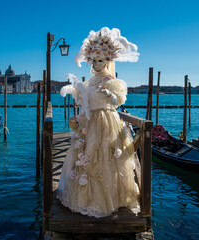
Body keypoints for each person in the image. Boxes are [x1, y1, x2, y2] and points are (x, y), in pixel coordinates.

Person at [57, 27, 140, 218]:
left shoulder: (113, 81)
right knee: (86, 157)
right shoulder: (91, 81)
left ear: (108, 60)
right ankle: (84, 198)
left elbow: (118, 100)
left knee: (105, 157)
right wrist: (77, 113)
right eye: (93, 60)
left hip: (106, 123)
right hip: (88, 123)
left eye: (100, 60)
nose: (95, 64)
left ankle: (110, 199)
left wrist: (110, 94)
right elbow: (85, 101)